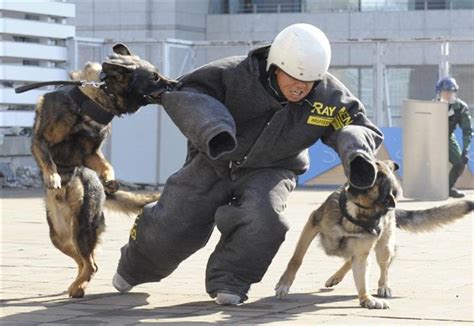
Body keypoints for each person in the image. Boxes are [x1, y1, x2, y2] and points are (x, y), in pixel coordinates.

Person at [112, 23, 384, 305]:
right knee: (176, 223)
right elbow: (188, 93)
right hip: (215, 158)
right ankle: (135, 266)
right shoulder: (231, 74)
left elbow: (355, 125)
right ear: (275, 66)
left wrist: (357, 154)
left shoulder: (328, 97)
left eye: (310, 81)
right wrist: (214, 129)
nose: (301, 87)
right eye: (293, 77)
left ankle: (231, 280)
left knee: (264, 218)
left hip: (274, 167)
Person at [435, 77, 472, 198]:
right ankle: (427, 189)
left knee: (460, 162)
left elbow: (467, 130)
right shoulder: (431, 106)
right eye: (444, 92)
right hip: (431, 137)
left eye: (450, 92)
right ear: (439, 92)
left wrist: (466, 149)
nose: (447, 94)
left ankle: (448, 188)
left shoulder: (460, 107)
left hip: (447, 137)